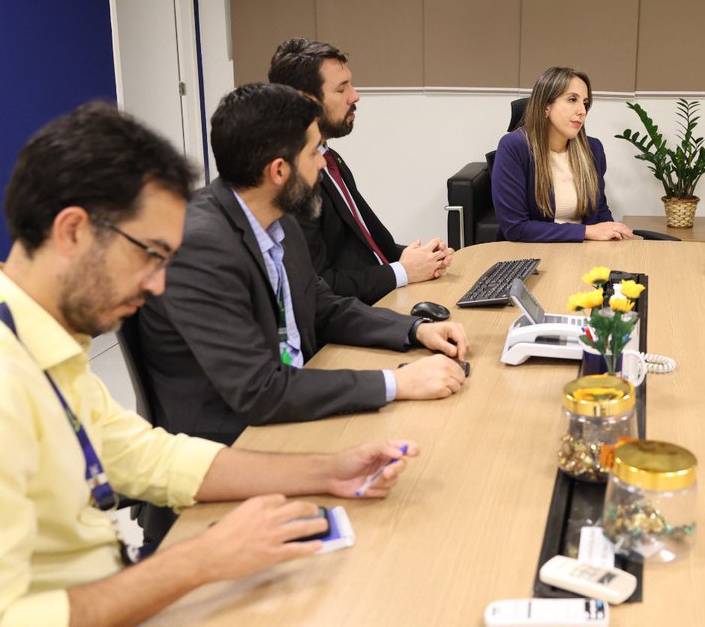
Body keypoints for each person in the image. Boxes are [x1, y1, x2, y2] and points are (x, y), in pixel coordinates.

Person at [0, 102, 420, 627]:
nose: (159, 283)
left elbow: (150, 458)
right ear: (73, 232)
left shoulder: (36, 340)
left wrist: (330, 470)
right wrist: (201, 560)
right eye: (149, 254)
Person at [138, 83, 469, 451]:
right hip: (232, 440)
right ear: (279, 170)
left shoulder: (278, 217)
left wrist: (416, 330)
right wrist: (397, 383)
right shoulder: (198, 248)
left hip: (291, 399)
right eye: (313, 152)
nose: (323, 163)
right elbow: (258, 390)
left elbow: (323, 306)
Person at [268, 38, 453, 304]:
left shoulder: (330, 158)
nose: (355, 96)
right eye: (342, 89)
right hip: (353, 313)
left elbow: (368, 243)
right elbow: (318, 285)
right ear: (306, 101)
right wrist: (402, 271)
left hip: (380, 299)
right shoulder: (293, 180)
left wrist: (419, 258)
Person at [492, 66, 634, 242]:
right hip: (530, 251)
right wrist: (585, 232)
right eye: (572, 99)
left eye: (585, 103)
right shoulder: (514, 147)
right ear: (545, 106)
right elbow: (515, 228)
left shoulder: (593, 149)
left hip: (583, 249)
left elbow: (600, 212)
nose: (582, 111)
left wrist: (613, 234)